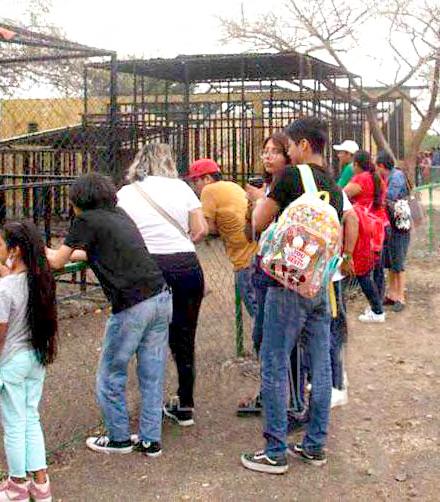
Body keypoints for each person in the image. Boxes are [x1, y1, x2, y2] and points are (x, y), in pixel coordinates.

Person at [241, 117, 344, 474]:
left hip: (286, 282)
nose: (287, 152)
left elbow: (258, 223)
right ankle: (315, 445)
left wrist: (260, 199)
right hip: (319, 284)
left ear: (302, 145)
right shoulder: (334, 185)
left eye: (288, 146)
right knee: (321, 364)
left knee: (273, 361)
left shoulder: (290, 177)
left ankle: (275, 451)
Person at [47, 173, 172, 457]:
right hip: (160, 296)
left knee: (111, 373)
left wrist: (35, 248)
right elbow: (93, 252)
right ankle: (150, 440)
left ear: (78, 201)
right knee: (152, 373)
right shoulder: (119, 215)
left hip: (131, 305)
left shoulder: (86, 221)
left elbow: (57, 261)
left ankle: (119, 438)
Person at [117, 143, 207, 427]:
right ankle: (185, 404)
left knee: (147, 338)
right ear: (168, 162)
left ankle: (149, 408)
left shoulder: (126, 193)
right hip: (186, 265)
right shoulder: (182, 188)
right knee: (184, 337)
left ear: (139, 162)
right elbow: (200, 229)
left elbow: (121, 233)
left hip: (147, 266)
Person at [239, 132, 307, 423]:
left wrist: (260, 202)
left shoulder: (291, 185)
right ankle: (272, 395)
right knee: (262, 337)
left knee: (282, 341)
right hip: (262, 267)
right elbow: (250, 233)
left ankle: (292, 402)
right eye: (265, 151)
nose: (267, 156)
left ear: (288, 156)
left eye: (275, 151)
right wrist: (252, 206)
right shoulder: (267, 187)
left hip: (282, 272)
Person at [0, 221, 57, 502]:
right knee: (31, 418)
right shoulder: (40, 280)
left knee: (13, 424)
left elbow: (1, 332)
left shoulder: (5, 289)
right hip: (36, 357)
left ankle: (17, 485)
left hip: (11, 361)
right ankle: (41, 483)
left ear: (15, 250)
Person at [187, 159, 258, 318]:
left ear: (207, 178)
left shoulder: (209, 190)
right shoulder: (232, 185)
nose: (195, 186)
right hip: (255, 251)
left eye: (196, 181)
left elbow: (206, 228)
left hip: (243, 258)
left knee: (257, 312)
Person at [344, 150, 388, 322]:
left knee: (361, 271)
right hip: (379, 228)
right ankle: (377, 307)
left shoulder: (361, 179)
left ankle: (377, 310)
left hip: (365, 230)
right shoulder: (377, 179)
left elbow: (341, 195)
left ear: (356, 164)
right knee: (377, 270)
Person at [376, 150, 410, 312]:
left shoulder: (396, 176)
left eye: (377, 166)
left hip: (399, 225)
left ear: (382, 165)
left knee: (398, 261)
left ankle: (400, 297)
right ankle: (392, 294)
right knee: (390, 261)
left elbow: (390, 195)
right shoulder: (388, 177)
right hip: (390, 223)